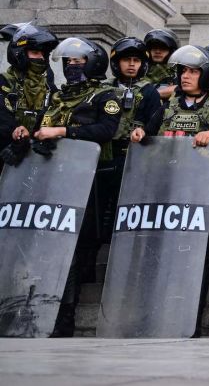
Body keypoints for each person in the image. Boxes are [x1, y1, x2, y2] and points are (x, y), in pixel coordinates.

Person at [131, 44, 209, 299]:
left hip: (204, 188)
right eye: (183, 71)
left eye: (193, 71)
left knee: (199, 249)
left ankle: (193, 306)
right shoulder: (170, 105)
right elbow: (149, 129)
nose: (185, 76)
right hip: (168, 186)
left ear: (206, 75)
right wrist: (141, 133)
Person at [29, 37, 122, 337]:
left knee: (75, 249)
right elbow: (42, 127)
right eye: (68, 61)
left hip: (89, 180)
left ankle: (65, 315)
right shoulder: (57, 97)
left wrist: (63, 131)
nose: (71, 66)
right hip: (51, 179)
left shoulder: (105, 95)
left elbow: (106, 130)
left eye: (77, 61)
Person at [0, 24, 58, 166]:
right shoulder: (3, 82)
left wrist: (43, 137)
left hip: (33, 164)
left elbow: (56, 117)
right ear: (19, 53)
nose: (41, 58)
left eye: (44, 54)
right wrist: (15, 131)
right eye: (35, 52)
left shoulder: (51, 89)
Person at [106, 37, 162, 155]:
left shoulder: (150, 92)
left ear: (142, 64)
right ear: (117, 63)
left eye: (136, 60)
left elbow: (155, 127)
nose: (131, 64)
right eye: (126, 59)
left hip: (134, 151)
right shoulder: (103, 88)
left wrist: (142, 132)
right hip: (102, 149)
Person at [144, 29, 179, 100]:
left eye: (163, 48)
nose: (157, 51)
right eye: (154, 48)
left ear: (172, 51)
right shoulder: (139, 70)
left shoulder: (180, 73)